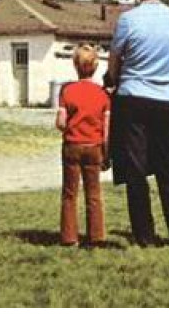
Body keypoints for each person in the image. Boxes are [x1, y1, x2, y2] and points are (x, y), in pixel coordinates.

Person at [108, 0, 169, 248]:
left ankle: (144, 234)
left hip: (134, 97)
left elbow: (115, 60)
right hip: (167, 98)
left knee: (135, 169)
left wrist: (112, 79)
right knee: (166, 166)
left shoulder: (128, 20)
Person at [56, 42, 110, 247]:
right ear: (96, 66)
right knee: (94, 193)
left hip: (72, 145)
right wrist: (106, 151)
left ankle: (69, 237)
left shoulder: (67, 91)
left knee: (70, 193)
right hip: (94, 146)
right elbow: (106, 128)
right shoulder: (103, 94)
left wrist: (68, 128)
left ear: (75, 65)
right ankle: (96, 236)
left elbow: (60, 122)